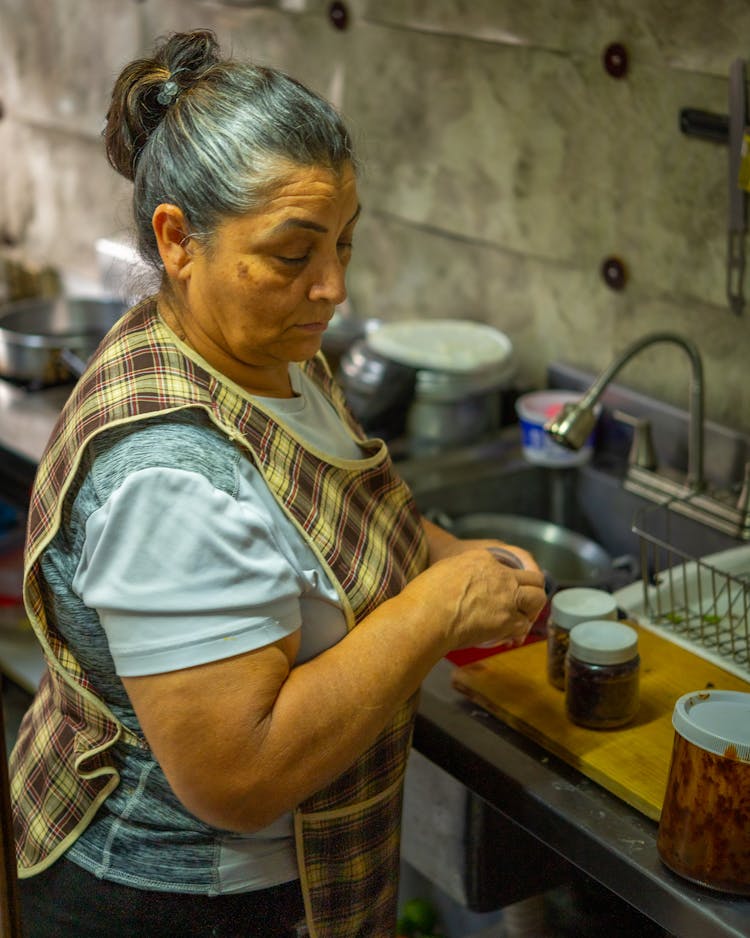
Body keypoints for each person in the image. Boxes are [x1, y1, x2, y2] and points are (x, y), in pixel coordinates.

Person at [10, 29, 547, 938]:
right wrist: (437, 609)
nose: (333, 287)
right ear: (178, 239)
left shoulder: (258, 348)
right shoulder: (167, 478)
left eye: (344, 241)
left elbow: (332, 512)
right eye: (295, 254)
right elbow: (236, 776)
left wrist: (462, 559)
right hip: (176, 907)